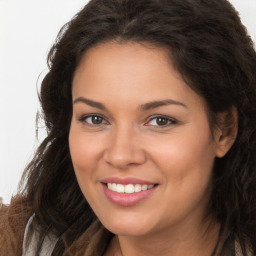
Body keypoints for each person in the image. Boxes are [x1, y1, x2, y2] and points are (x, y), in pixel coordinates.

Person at [1, 0, 256, 255]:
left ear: (224, 130)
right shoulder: (18, 244)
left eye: (160, 120)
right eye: (95, 119)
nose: (120, 155)